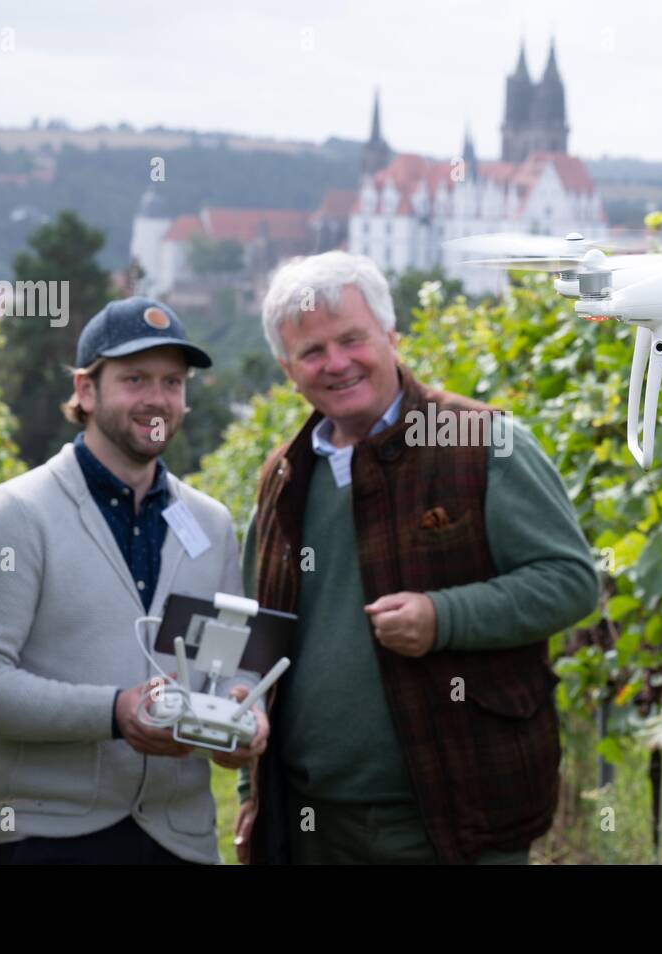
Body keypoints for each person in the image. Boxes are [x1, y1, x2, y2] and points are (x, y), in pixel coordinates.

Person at [234, 252, 599, 864]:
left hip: (460, 821)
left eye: (353, 339)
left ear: (391, 337)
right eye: (313, 351)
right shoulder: (284, 478)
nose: (337, 363)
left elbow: (570, 582)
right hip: (314, 826)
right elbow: (260, 638)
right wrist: (252, 792)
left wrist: (443, 617)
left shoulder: (481, 442)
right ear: (288, 371)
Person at [0, 296, 268, 864]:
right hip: (52, 840)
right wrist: (113, 712)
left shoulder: (210, 523)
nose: (157, 399)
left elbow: (227, 665)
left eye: (172, 382)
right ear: (86, 391)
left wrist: (240, 716)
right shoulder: (19, 514)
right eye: (135, 379)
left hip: (181, 840)